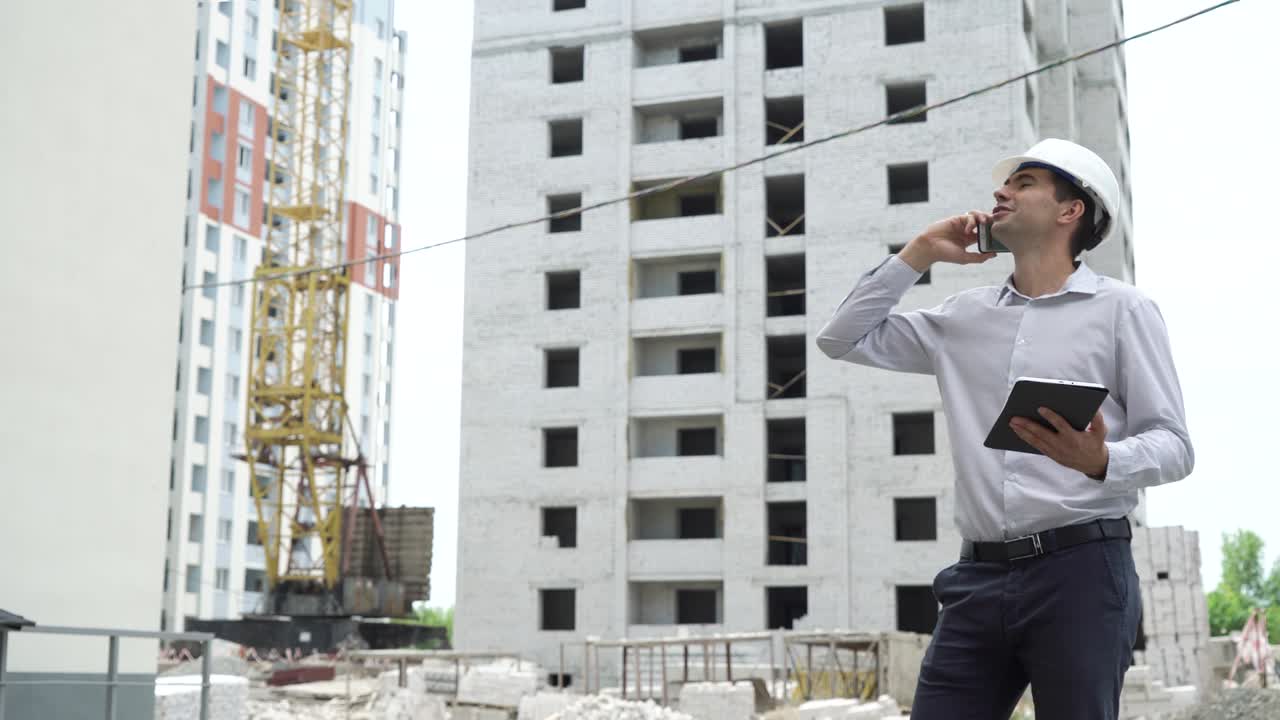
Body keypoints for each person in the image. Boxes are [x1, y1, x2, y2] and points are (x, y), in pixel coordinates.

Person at [816, 138, 1194, 720]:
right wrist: (917, 254)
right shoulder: (962, 318)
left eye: (1024, 183)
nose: (1002, 191)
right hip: (977, 577)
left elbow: (1174, 446)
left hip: (1081, 574)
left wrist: (1100, 459)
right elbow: (842, 338)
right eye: (1006, 183)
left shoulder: (1124, 311)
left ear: (1071, 210)